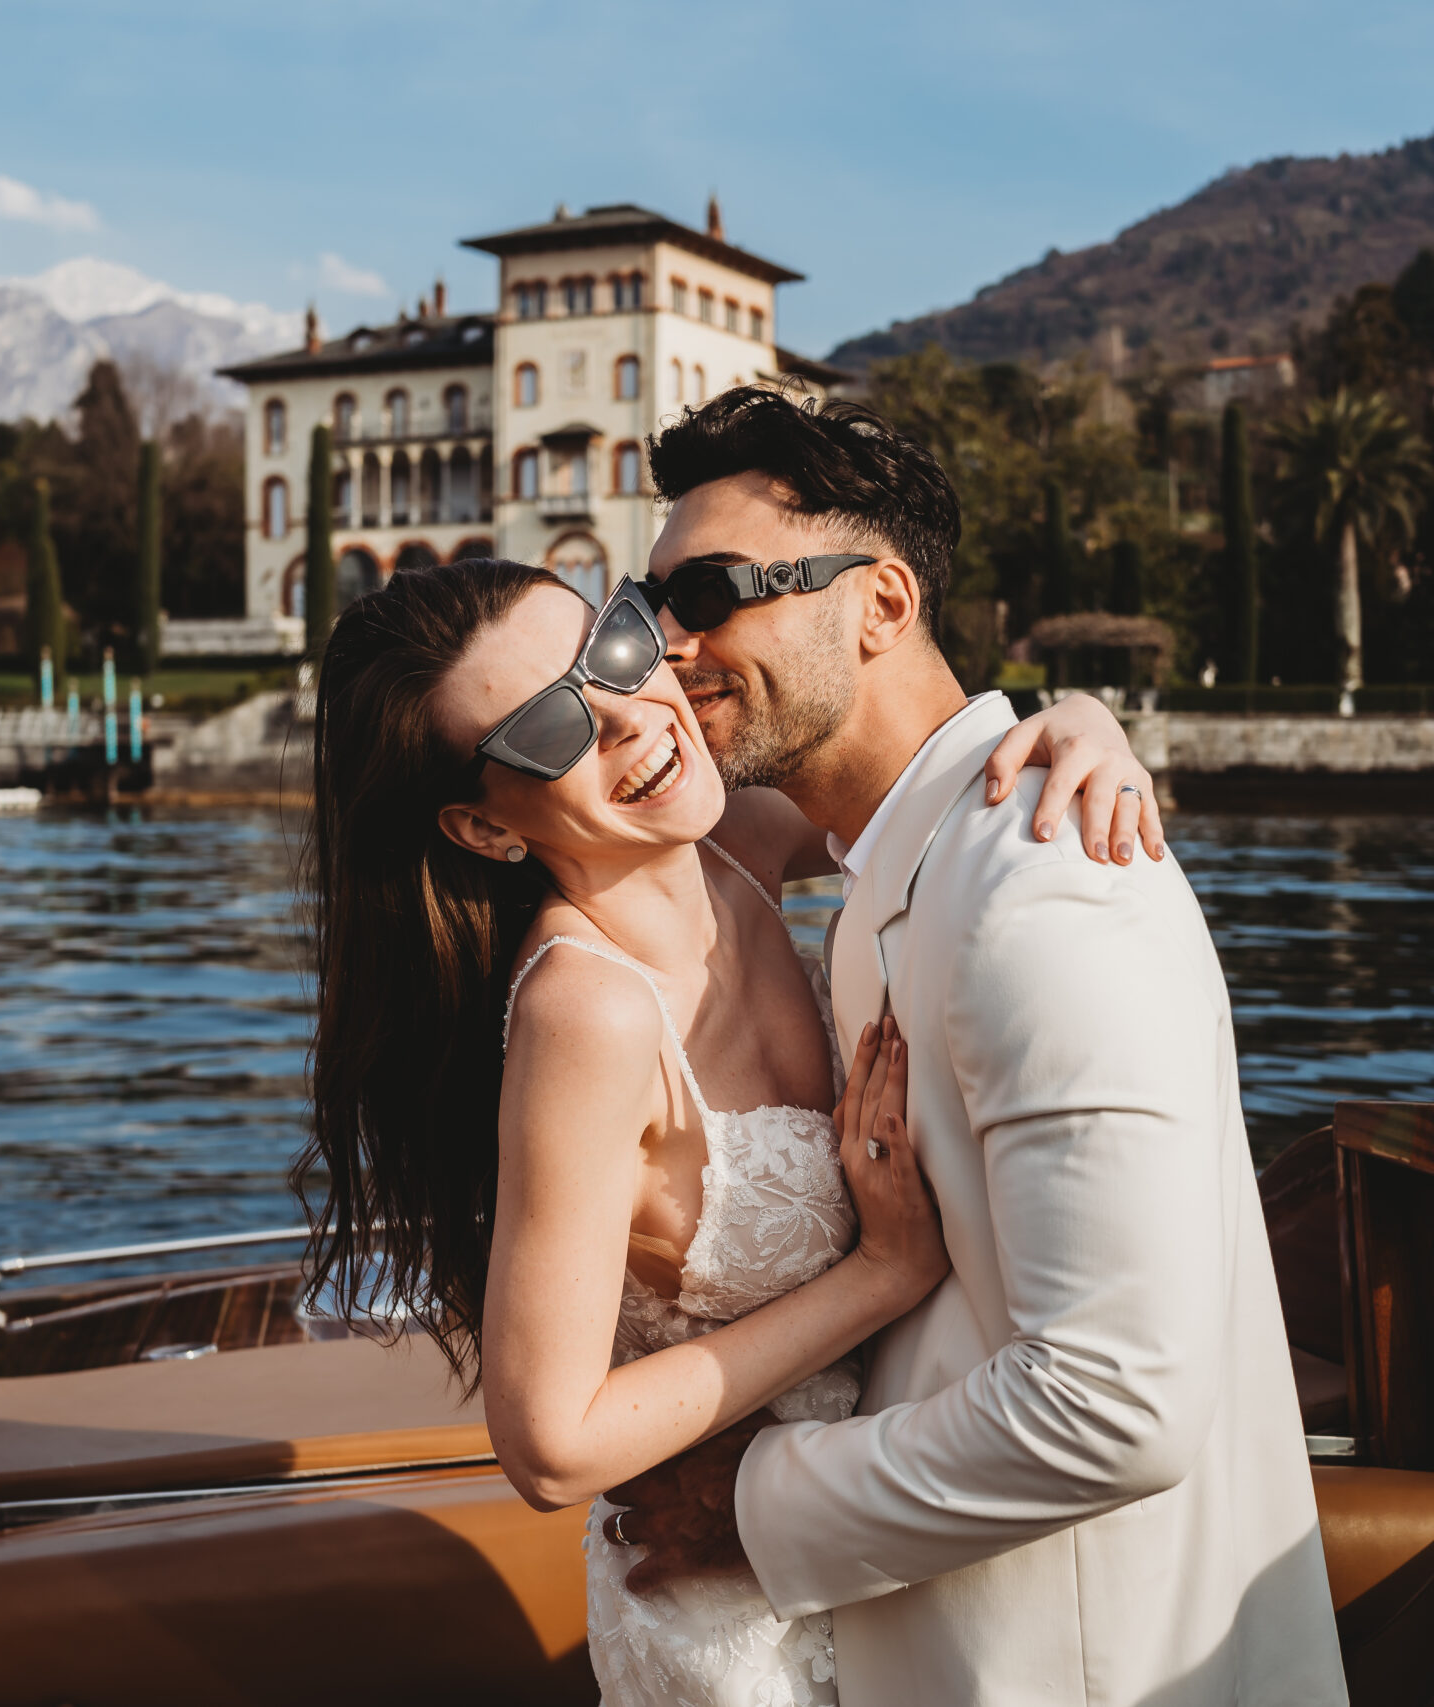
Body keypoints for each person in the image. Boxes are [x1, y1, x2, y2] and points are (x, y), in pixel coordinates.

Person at [295, 548, 1166, 1706]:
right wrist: (879, 1275)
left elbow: (930, 776)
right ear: (486, 828)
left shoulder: (737, 845)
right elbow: (549, 1447)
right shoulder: (589, 1015)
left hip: (873, 1542)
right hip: (729, 1616)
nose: (630, 720)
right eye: (548, 733)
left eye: (612, 648)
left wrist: (1081, 724)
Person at [605, 390, 1348, 1706]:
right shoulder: (881, 873)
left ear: (882, 605)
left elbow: (1118, 1400)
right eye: (649, 604)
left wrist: (753, 1505)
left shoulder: (1047, 883)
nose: (669, 644)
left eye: (711, 591)